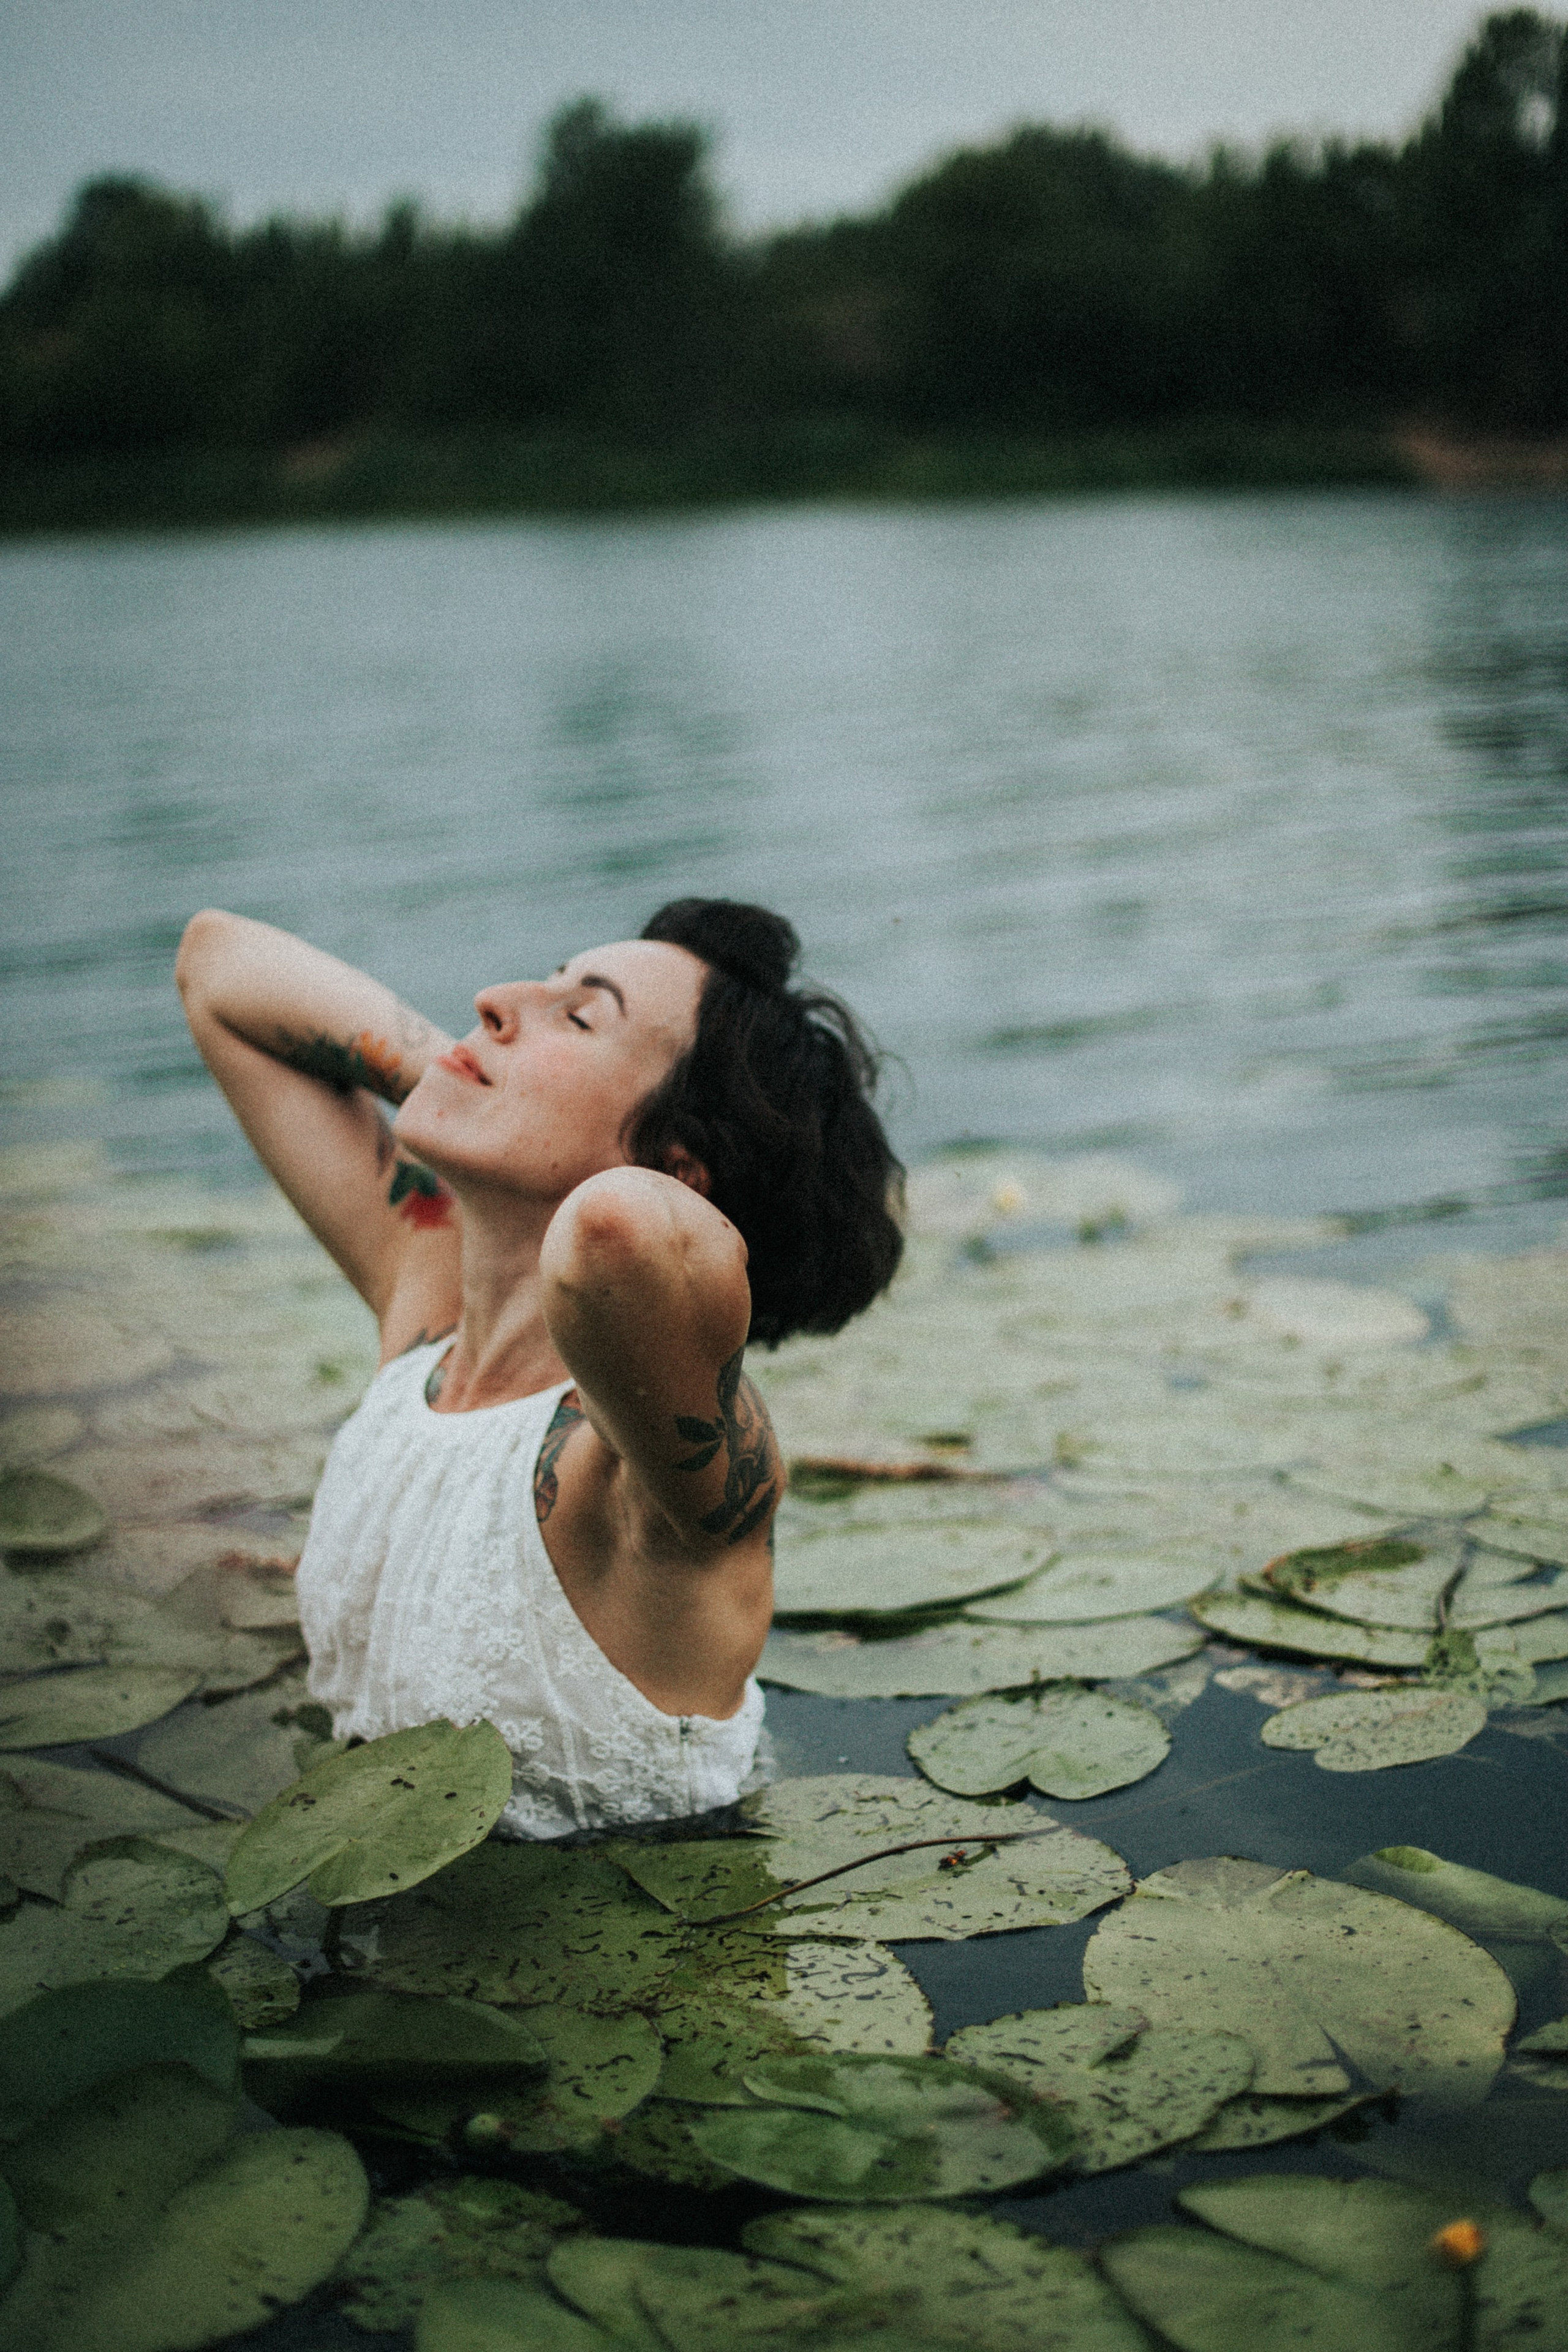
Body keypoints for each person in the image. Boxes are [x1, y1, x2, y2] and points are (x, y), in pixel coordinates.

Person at [176, 899, 903, 1835]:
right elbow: (219, 965)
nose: (492, 1000)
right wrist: (465, 1077)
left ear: (680, 1168)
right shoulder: (424, 1309)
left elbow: (618, 1233)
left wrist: (497, 1092)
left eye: (580, 1015)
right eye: (545, 984)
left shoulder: (646, 1482)